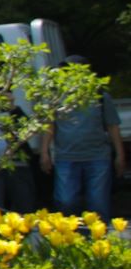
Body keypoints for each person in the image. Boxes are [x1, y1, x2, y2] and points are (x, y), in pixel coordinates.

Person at [50, 90, 124, 220]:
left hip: (98, 157)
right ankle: (69, 237)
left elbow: (112, 126)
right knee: (65, 202)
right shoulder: (57, 97)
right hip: (65, 158)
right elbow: (49, 126)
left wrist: (120, 154)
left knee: (98, 203)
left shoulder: (100, 96)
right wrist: (44, 152)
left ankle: (98, 237)